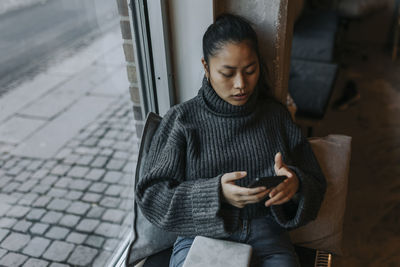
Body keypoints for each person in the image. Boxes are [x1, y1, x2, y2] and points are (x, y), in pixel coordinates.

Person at [135, 14, 326, 267]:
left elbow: (315, 182)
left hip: (267, 235)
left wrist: (296, 186)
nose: (241, 85)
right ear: (206, 67)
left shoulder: (275, 116)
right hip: (201, 236)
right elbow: (151, 197)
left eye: (250, 70)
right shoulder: (182, 120)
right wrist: (216, 195)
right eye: (227, 73)